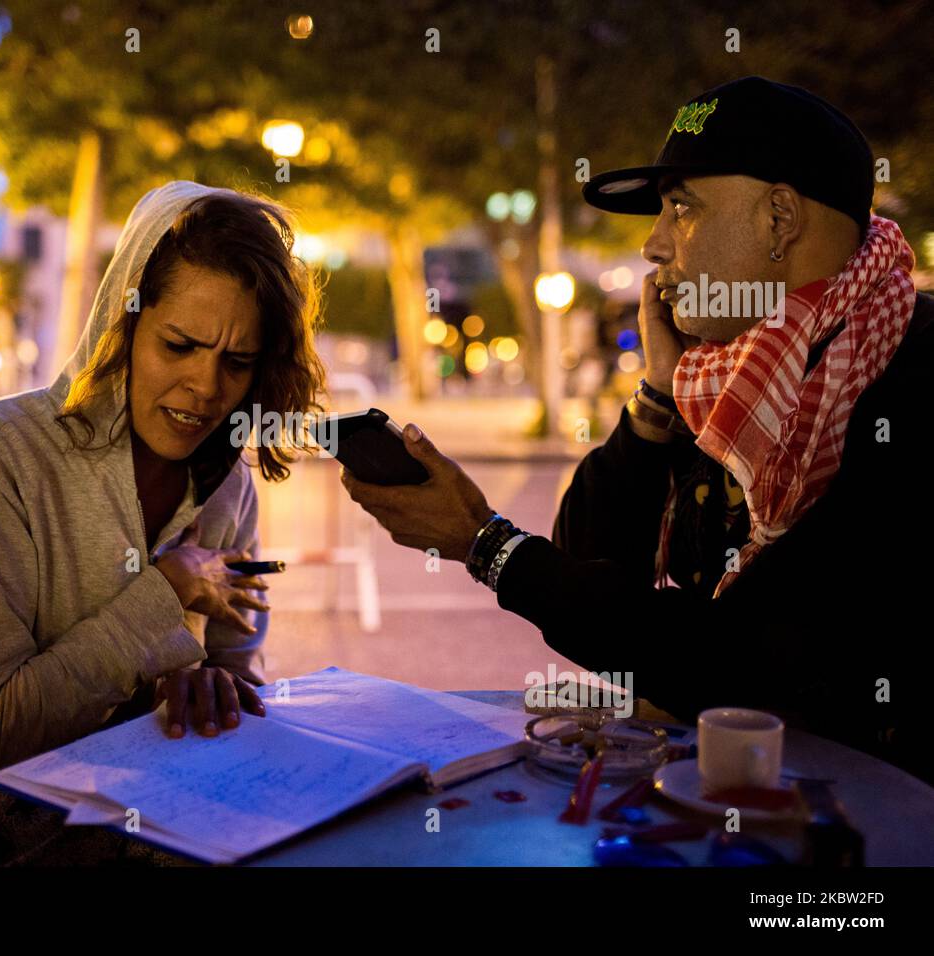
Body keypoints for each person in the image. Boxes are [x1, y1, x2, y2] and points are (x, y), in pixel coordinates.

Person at [341, 77, 933, 785]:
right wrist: (656, 397)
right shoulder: (729, 376)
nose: (653, 245)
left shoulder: (912, 374)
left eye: (681, 208)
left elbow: (737, 660)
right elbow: (592, 559)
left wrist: (484, 543)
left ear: (781, 218)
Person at [0, 181, 325, 865]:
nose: (206, 388)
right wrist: (165, 596)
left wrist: (213, 689)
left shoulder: (228, 483)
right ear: (123, 324)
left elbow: (237, 673)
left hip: (152, 780)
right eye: (178, 346)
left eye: (236, 362)